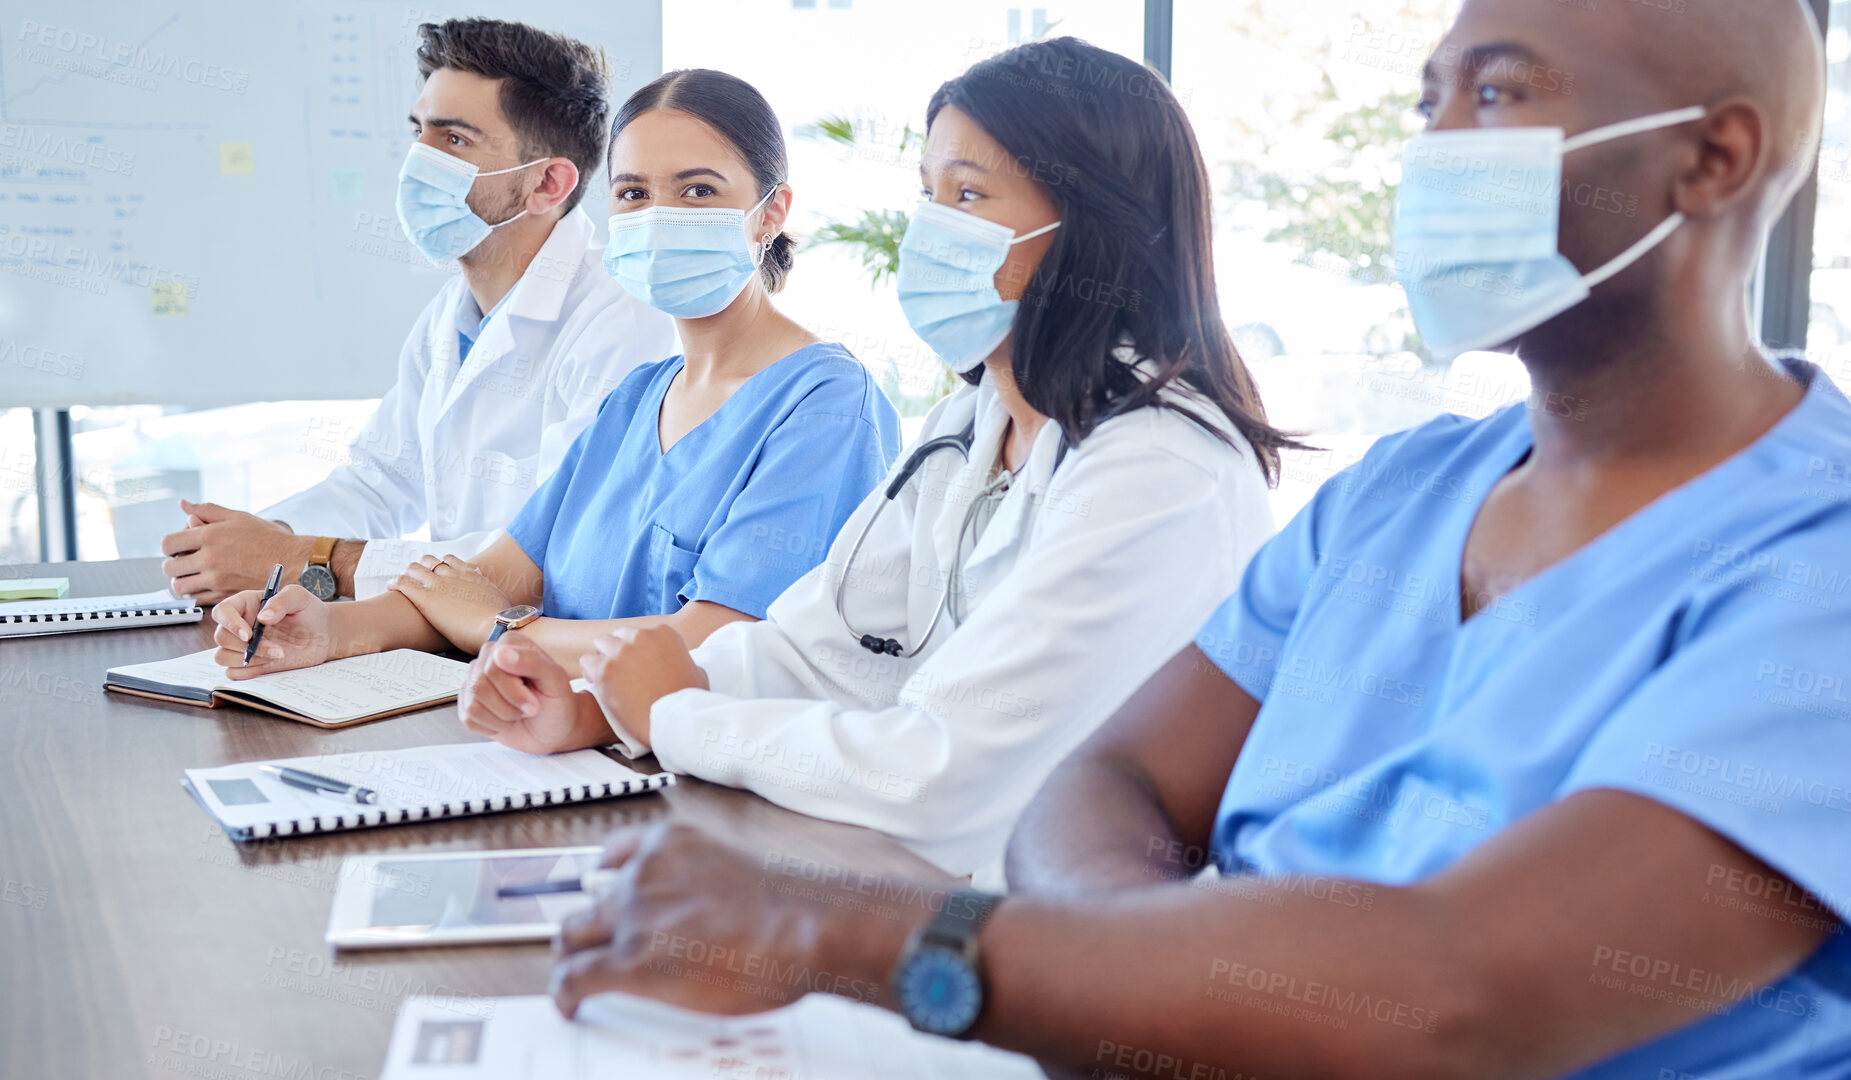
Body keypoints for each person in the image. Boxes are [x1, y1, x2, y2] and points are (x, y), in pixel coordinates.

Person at [539, 5, 1851, 1079]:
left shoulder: (1815, 565)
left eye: (1496, 98)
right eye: (1423, 105)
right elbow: (1100, 783)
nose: (1435, 151)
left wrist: (852, 933)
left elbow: (1455, 997)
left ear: (1714, 157)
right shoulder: (1394, 496)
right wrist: (1171, 989)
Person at [462, 38, 1289, 878]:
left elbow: (941, 772)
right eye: (927, 192)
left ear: (1093, 229)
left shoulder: (1161, 468)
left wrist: (671, 713)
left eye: (967, 193)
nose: (928, 227)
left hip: (1063, 953)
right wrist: (599, 708)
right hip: (912, 893)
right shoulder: (968, 429)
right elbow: (814, 651)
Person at [208, 70, 900, 682]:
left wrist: (504, 630)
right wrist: (324, 631)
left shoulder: (824, 406)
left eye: (697, 189)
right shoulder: (638, 398)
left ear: (771, 212)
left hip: (701, 791)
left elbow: (717, 644)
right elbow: (497, 578)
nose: (659, 217)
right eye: (633, 193)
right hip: (559, 749)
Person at [159, 18, 676, 605]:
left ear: (548, 183)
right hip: (456, 643)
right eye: (419, 131)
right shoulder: (448, 317)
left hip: (558, 666)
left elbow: (548, 556)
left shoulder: (626, 322)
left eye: (454, 140)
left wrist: (298, 559)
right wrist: (253, 540)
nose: (416, 162)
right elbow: (378, 486)